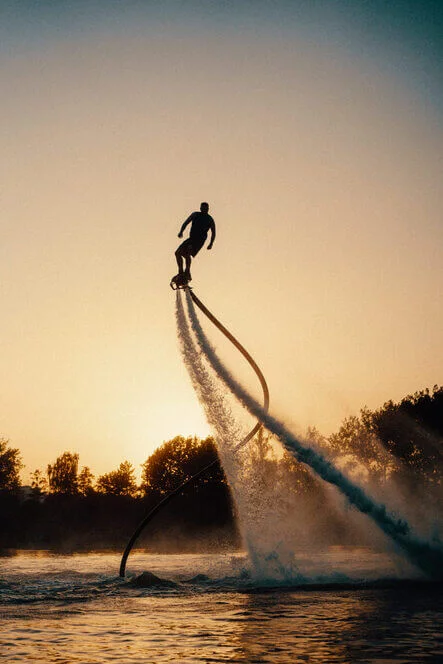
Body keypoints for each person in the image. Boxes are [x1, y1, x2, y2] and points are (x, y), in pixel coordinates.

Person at [174, 202, 216, 282]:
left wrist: (211, 243)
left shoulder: (210, 219)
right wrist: (181, 231)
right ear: (200, 208)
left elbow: (213, 232)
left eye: (206, 208)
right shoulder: (195, 214)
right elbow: (186, 222)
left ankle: (187, 272)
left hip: (199, 240)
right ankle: (181, 272)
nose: (204, 210)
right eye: (203, 208)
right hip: (192, 238)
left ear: (208, 209)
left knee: (187, 253)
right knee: (178, 253)